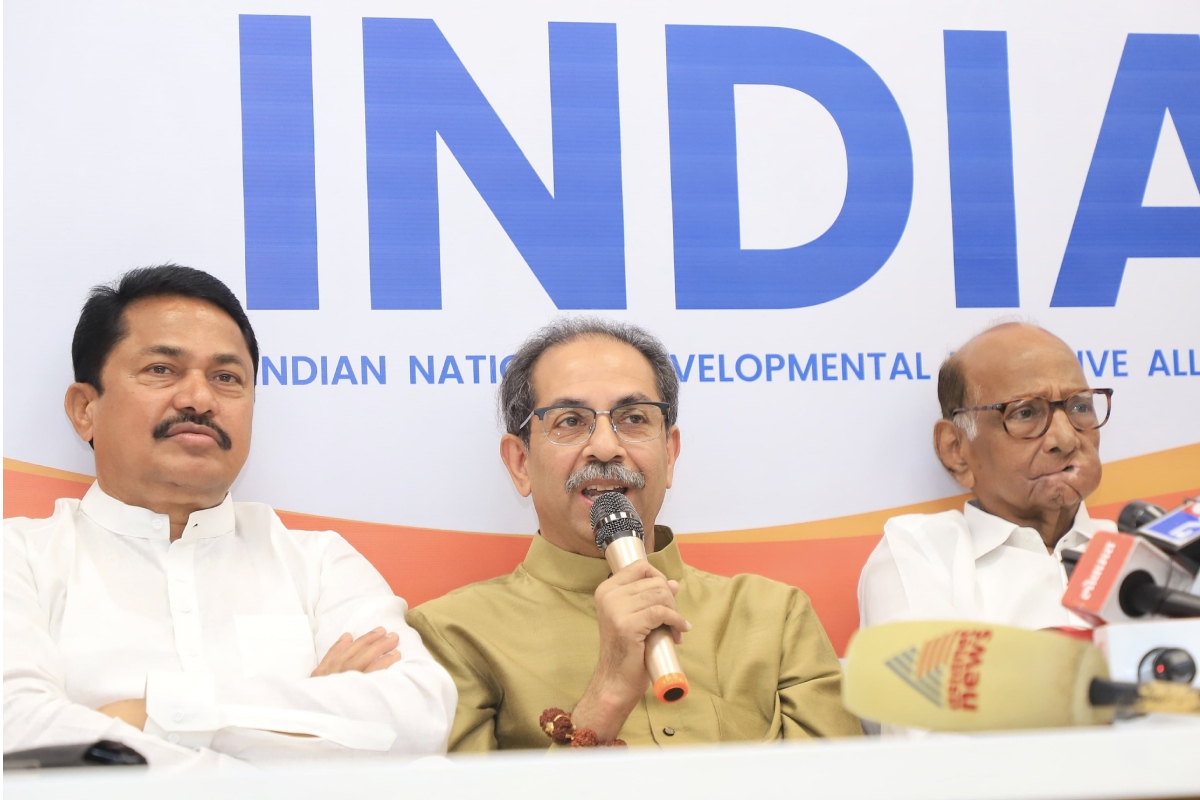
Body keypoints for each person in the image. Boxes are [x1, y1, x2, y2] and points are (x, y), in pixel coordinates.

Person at [4, 265, 456, 768]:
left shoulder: (319, 563)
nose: (199, 400)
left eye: (226, 378)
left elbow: (419, 716)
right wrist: (304, 720)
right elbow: (19, 730)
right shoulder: (18, 559)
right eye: (162, 369)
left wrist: (149, 714)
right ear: (85, 409)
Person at [406, 318, 861, 751]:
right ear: (520, 463)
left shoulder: (774, 617)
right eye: (570, 421)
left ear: (670, 453)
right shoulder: (451, 636)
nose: (606, 447)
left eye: (634, 418)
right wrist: (605, 696)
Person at [858, 322, 1117, 630]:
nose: (1066, 438)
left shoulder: (1146, 549)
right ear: (956, 450)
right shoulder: (923, 552)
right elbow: (927, 663)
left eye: (1080, 406)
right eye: (1025, 413)